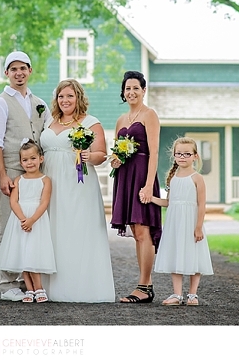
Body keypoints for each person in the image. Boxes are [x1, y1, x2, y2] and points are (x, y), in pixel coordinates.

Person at [40, 79, 115, 302]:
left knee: (76, 229)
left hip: (77, 184)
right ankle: (48, 288)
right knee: (53, 229)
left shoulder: (91, 123)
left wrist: (88, 156)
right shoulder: (49, 122)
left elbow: (101, 154)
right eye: (61, 96)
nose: (65, 100)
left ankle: (80, 286)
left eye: (70, 96)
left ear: (78, 97)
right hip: (50, 183)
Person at [0, 51, 51, 301]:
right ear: (6, 73)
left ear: (30, 70)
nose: (19, 73)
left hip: (36, 173)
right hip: (12, 171)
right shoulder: (0, 103)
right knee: (9, 225)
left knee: (33, 226)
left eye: (23, 68)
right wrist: (1, 175)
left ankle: (30, 283)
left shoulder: (40, 103)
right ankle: (7, 284)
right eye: (13, 69)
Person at [109, 70, 163, 303]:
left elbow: (154, 152)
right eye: (127, 88)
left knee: (144, 231)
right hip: (125, 177)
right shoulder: (121, 120)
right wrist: (115, 159)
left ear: (143, 91)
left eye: (135, 88)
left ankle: (144, 285)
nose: (131, 92)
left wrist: (149, 185)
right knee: (136, 233)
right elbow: (117, 149)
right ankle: (144, 285)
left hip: (142, 176)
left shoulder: (149, 115)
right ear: (123, 92)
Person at [151, 137, 214, 306]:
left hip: (191, 223)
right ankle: (177, 294)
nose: (182, 157)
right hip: (175, 224)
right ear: (174, 156)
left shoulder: (197, 178)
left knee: (194, 255)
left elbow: (201, 204)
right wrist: (151, 199)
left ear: (195, 156)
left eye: (187, 154)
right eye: (179, 153)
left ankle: (192, 295)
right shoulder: (173, 177)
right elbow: (169, 202)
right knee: (176, 253)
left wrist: (198, 227)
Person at [0, 139, 56, 303]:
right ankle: (30, 290)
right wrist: (23, 219)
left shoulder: (45, 180)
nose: (29, 162)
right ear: (21, 162)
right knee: (23, 254)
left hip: (36, 220)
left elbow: (44, 202)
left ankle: (39, 288)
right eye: (25, 160)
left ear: (41, 159)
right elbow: (13, 201)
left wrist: (32, 220)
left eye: (33, 158)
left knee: (33, 253)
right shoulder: (19, 180)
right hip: (20, 221)